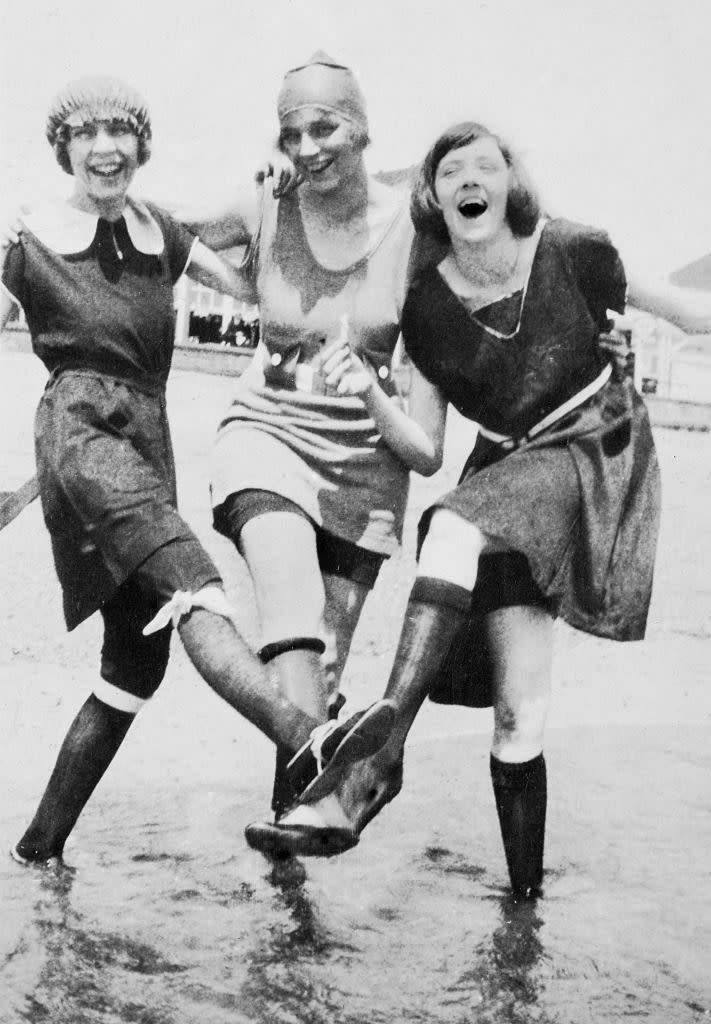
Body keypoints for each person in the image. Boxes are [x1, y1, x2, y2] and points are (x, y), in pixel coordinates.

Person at [246, 120, 711, 895]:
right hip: (507, 475)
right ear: (432, 197)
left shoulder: (575, 251)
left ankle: (374, 765)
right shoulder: (426, 310)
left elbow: (689, 313)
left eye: (484, 165)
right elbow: (425, 451)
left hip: (591, 449)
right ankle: (523, 908)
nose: (468, 178)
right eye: (449, 169)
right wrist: (367, 390)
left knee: (454, 524)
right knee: (517, 714)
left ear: (509, 182)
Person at [0, 75, 395, 865]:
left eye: (120, 132)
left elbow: (260, 290)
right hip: (79, 434)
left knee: (134, 666)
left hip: (146, 437)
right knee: (198, 587)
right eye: (86, 133)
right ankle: (308, 738)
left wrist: (279, 203)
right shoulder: (23, 235)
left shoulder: (163, 233)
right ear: (63, 147)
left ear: (141, 146)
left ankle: (37, 851)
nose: (105, 148)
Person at [175, 52, 446, 823]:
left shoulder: (414, 233)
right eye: (290, 132)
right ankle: (328, 800)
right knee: (289, 610)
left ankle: (293, 840)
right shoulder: (269, 202)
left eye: (322, 127)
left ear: (360, 129)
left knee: (316, 676)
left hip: (366, 466)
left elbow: (428, 436)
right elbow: (156, 232)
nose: (306, 147)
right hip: (263, 434)